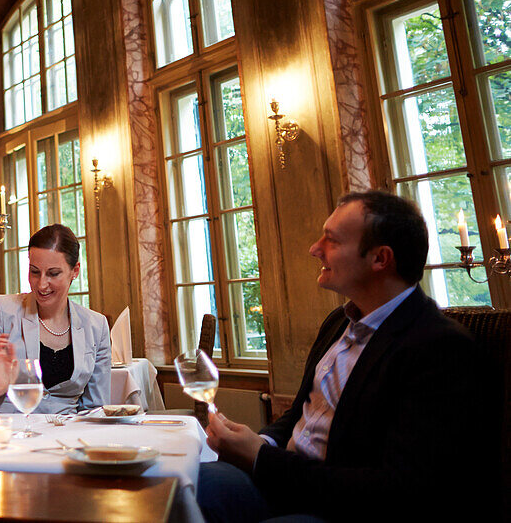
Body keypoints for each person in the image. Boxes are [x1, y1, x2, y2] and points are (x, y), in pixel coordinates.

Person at [197, 191, 496, 522]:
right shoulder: (338, 322)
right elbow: (300, 415)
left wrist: (260, 458)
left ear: (380, 259)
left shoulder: (439, 347)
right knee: (189, 482)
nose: (315, 249)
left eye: (332, 240)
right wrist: (256, 441)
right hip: (285, 484)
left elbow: (400, 489)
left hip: (345, 511)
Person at [0, 223, 111, 415]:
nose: (42, 284)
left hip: (66, 439)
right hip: (9, 435)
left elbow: (96, 410)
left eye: (53, 273)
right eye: (35, 272)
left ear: (75, 271)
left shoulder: (97, 326)